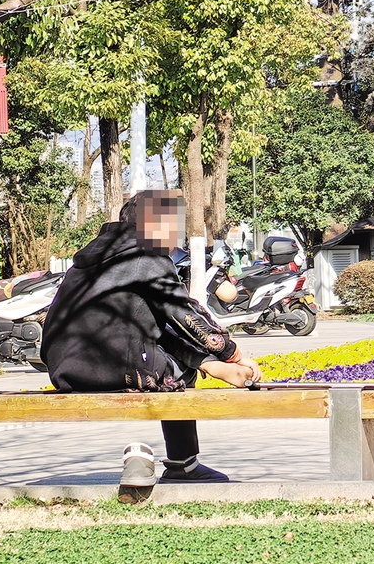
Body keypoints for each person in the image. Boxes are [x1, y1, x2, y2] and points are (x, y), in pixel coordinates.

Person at [42, 190, 262, 496]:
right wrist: (231, 353)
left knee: (168, 352)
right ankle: (184, 463)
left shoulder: (93, 258)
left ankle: (206, 375)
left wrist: (212, 361)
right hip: (117, 367)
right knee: (182, 374)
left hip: (63, 370)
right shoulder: (147, 255)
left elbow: (151, 328)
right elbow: (183, 314)